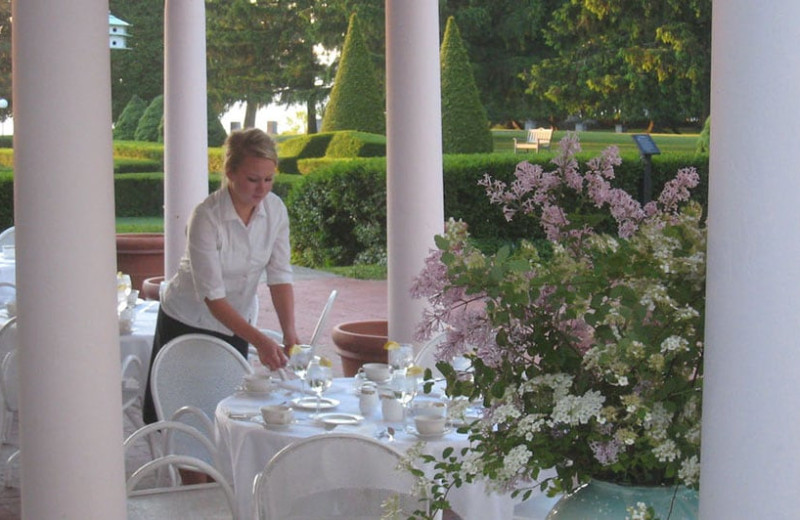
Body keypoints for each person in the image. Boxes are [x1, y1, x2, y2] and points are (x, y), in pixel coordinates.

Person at [142, 127, 299, 425]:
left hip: (236, 326)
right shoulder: (206, 216)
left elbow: (279, 275)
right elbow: (213, 298)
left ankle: (217, 474)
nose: (262, 189)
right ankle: (189, 471)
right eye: (253, 179)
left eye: (269, 179)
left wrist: (289, 331)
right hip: (186, 321)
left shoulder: (276, 211)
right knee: (186, 419)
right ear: (230, 172)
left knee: (226, 416)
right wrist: (262, 341)